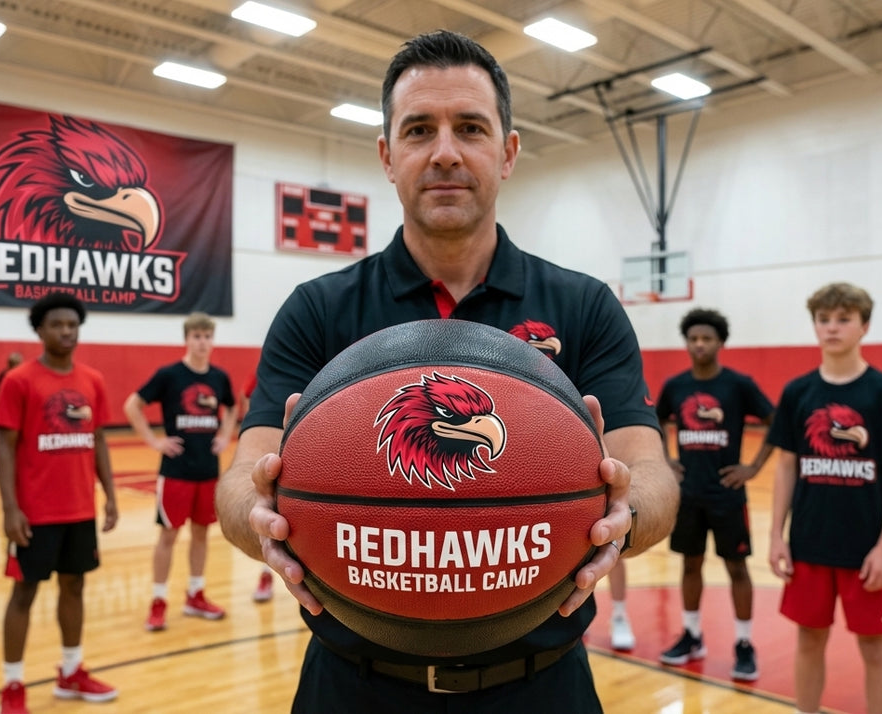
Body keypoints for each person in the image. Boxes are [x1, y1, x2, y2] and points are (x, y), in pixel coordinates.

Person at [215, 30, 678, 714]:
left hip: (541, 682)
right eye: (419, 130)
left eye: (470, 128)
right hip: (353, 683)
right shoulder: (319, 308)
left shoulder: (583, 305)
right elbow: (239, 478)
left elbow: (653, 474)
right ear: (387, 155)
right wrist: (260, 517)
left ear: (508, 151)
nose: (445, 153)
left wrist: (622, 513)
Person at [767, 283, 882, 714]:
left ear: (864, 326)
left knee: (875, 646)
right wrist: (777, 536)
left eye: (843, 319)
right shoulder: (798, 391)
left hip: (867, 548)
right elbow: (785, 466)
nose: (832, 328)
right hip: (810, 543)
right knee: (809, 638)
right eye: (824, 319)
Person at [0, 294, 119, 714]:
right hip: (35, 512)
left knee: (75, 585)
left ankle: (71, 671)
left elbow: (98, 438)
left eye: (72, 324)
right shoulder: (19, 380)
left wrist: (111, 495)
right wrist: (10, 508)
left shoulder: (93, 380)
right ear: (40, 330)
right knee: (24, 592)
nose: (66, 331)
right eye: (57, 324)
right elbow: (5, 447)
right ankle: (12, 685)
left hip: (79, 509)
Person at [655, 308, 773, 681]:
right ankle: (692, 635)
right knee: (690, 564)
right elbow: (655, 420)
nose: (700, 344)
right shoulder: (676, 386)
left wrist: (752, 468)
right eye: (693, 338)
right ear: (687, 343)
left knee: (736, 567)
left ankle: (743, 643)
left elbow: (775, 421)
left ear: (721, 342)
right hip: (689, 493)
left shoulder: (738, 385)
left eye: (707, 338)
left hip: (727, 494)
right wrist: (666, 458)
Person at [123, 313, 236, 631]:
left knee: (201, 533)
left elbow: (232, 408)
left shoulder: (219, 377)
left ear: (213, 340)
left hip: (207, 471)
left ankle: (195, 594)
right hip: (176, 471)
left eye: (207, 336)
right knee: (169, 535)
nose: (202, 342)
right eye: (196, 336)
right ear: (186, 339)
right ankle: (158, 600)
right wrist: (153, 441)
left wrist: (226, 435)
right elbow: (132, 405)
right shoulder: (169, 375)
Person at [237, 373, 274, 604]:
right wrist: (254, 419)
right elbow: (245, 393)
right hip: (272, 440)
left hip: (306, 439)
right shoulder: (269, 367)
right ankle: (266, 574)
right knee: (268, 513)